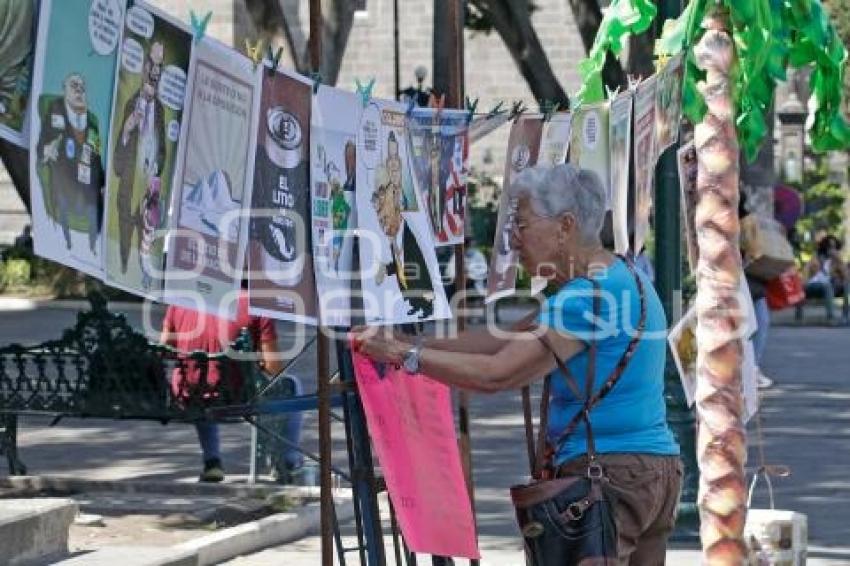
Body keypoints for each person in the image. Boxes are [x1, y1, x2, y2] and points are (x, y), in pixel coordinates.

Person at [353, 164, 681, 564]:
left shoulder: (584, 299)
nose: (512, 240)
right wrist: (410, 340)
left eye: (521, 225)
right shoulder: (625, 276)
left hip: (608, 476)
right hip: (654, 472)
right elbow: (502, 339)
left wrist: (405, 356)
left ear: (565, 226)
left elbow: (499, 372)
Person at [160, 288, 303, 483]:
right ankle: (288, 461)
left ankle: (212, 461)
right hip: (239, 396)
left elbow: (166, 347)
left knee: (202, 379)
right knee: (291, 384)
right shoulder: (255, 304)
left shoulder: (181, 300)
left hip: (188, 394)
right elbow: (273, 367)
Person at [113, 41, 166, 275]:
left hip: (148, 195)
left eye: (160, 67)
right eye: (152, 65)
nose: (155, 72)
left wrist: (156, 167)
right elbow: (118, 159)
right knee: (123, 256)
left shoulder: (161, 111)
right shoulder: (130, 104)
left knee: (143, 258)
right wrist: (126, 131)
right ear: (144, 67)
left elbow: (162, 150)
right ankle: (122, 271)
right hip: (129, 191)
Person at [37, 72, 105, 253]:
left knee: (95, 209)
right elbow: (43, 143)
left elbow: (97, 158)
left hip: (86, 186)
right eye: (74, 85)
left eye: (82, 87)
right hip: (64, 180)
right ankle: (66, 244)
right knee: (63, 198)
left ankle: (93, 248)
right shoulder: (55, 109)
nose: (79, 90)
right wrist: (47, 150)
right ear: (64, 89)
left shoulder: (92, 123)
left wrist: (103, 183)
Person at [801, 234, 850, 325]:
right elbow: (805, 275)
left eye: (834, 246)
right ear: (824, 247)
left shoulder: (836, 261)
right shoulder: (815, 258)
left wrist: (838, 260)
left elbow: (847, 276)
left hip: (830, 287)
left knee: (847, 285)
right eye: (830, 246)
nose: (832, 249)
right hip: (813, 286)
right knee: (826, 285)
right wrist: (803, 284)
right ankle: (830, 318)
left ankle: (846, 316)